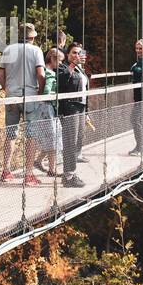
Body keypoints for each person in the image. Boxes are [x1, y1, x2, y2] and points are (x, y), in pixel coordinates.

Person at [0, 22, 45, 186]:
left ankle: (6, 170)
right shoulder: (36, 50)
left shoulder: (8, 50)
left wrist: (7, 89)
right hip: (30, 95)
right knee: (31, 135)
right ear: (32, 37)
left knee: (10, 134)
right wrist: (40, 92)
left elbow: (1, 74)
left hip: (11, 96)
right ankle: (29, 174)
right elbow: (41, 74)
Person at [57, 43, 90, 188]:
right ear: (67, 54)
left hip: (80, 108)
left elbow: (85, 91)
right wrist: (71, 65)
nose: (77, 55)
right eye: (74, 53)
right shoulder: (63, 67)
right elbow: (62, 81)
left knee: (78, 140)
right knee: (70, 141)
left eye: (79, 53)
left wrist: (87, 112)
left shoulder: (80, 69)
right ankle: (69, 176)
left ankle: (71, 172)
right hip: (70, 108)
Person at [30, 47, 65, 177]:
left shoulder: (43, 70)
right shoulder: (50, 73)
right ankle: (52, 169)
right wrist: (53, 97)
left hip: (40, 109)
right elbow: (46, 91)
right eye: (60, 61)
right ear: (52, 59)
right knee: (53, 137)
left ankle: (39, 161)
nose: (61, 64)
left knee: (49, 137)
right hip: (47, 108)